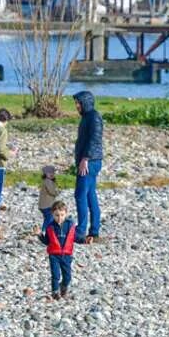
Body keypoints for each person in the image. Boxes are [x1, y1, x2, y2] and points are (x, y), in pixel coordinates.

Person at [71, 91, 105, 242]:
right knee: (90, 195)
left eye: (78, 103)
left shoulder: (94, 117)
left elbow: (95, 139)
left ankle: (80, 231)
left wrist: (85, 158)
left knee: (80, 194)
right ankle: (94, 231)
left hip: (89, 162)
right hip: (89, 161)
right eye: (76, 103)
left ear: (86, 102)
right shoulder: (87, 117)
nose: (76, 106)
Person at [44, 199, 77, 299]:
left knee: (67, 276)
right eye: (56, 215)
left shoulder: (70, 225)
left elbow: (76, 237)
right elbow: (46, 241)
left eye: (62, 215)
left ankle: (63, 287)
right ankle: (55, 292)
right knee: (55, 275)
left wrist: (85, 240)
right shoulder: (50, 226)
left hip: (66, 255)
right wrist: (39, 235)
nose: (59, 218)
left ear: (66, 214)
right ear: (52, 214)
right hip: (54, 255)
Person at [37, 165, 62, 232]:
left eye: (53, 173)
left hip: (44, 205)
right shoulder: (48, 181)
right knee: (49, 218)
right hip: (47, 205)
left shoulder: (47, 181)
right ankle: (45, 231)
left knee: (48, 218)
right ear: (45, 174)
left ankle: (47, 231)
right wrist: (57, 192)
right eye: (49, 173)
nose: (52, 174)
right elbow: (52, 191)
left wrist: (55, 182)